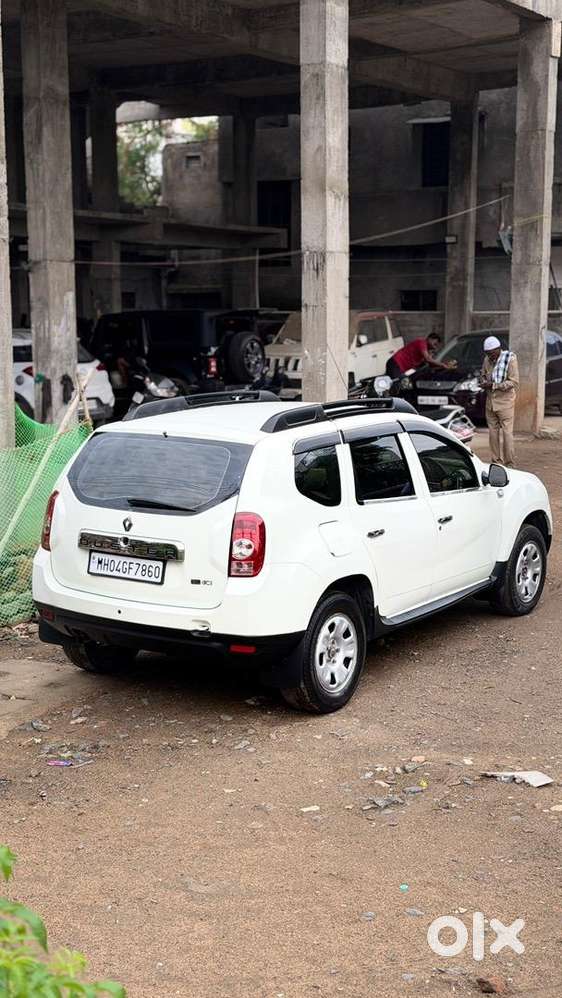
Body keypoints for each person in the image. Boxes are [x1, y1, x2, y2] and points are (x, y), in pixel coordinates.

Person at [479, 335, 519, 468]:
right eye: (487, 354)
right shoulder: (487, 359)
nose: (490, 357)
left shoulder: (510, 359)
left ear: (498, 349)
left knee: (507, 434)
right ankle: (497, 463)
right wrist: (483, 382)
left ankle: (510, 464)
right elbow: (484, 375)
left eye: (492, 353)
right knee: (492, 434)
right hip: (490, 403)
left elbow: (513, 382)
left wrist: (494, 385)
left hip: (505, 403)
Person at [385, 333, 451, 379]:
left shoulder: (425, 350)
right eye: (435, 344)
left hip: (400, 368)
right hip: (396, 363)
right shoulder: (421, 342)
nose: (435, 347)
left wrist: (442, 366)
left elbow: (429, 363)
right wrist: (442, 365)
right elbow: (428, 359)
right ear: (430, 339)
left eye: (436, 345)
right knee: (396, 384)